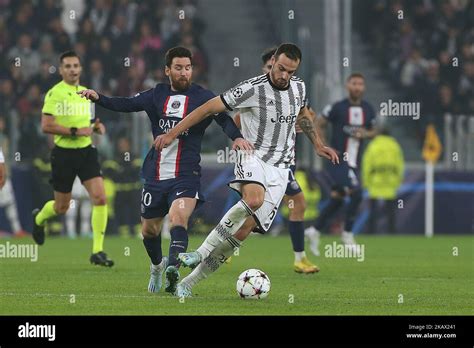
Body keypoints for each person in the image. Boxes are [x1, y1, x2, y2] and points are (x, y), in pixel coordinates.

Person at [154, 43, 339, 297]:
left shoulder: (299, 87)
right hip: (252, 156)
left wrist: (318, 144)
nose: (284, 75)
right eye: (281, 68)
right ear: (273, 61)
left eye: (291, 72)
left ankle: (188, 284)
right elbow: (208, 108)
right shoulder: (251, 88)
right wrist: (173, 132)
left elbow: (303, 114)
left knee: (241, 233)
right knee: (253, 199)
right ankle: (200, 252)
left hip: (280, 168)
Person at [78, 46, 252, 294]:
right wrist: (99, 98)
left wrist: (235, 138)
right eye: (178, 68)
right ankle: (157, 266)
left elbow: (222, 117)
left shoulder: (203, 96)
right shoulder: (156, 95)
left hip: (186, 173)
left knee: (178, 217)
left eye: (188, 68)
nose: (184, 73)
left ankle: (173, 269)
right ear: (167, 70)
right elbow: (126, 104)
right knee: (149, 230)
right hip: (156, 174)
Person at [233, 47, 319, 274]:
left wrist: (302, 123)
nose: (281, 75)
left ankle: (299, 258)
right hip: (260, 160)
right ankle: (225, 247)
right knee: (256, 211)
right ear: (267, 67)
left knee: (292, 205)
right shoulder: (257, 93)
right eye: (273, 68)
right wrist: (240, 139)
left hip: (284, 161)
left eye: (287, 71)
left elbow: (308, 114)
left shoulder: (294, 90)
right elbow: (236, 119)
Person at [32, 51, 113, 267]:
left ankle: (97, 251)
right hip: (64, 154)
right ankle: (39, 219)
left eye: (76, 65)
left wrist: (96, 126)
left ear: (80, 68)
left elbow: (90, 122)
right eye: (67, 66)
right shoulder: (54, 94)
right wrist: (76, 131)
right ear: (60, 70)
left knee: (100, 198)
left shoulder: (85, 93)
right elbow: (46, 126)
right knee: (62, 207)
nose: (72, 69)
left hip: (86, 152)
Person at [305, 73, 377, 255]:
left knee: (338, 197)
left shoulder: (368, 109)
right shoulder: (338, 107)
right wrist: (322, 145)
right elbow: (319, 122)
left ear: (364, 87)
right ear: (347, 86)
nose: (357, 87)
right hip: (338, 159)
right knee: (357, 192)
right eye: (354, 83)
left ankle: (314, 230)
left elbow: (373, 130)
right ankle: (347, 233)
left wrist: (365, 134)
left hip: (355, 162)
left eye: (360, 84)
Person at [362, 127, 404, 234]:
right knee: (391, 210)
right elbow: (399, 163)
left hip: (376, 179)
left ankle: (371, 231)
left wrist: (365, 181)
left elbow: (367, 163)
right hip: (390, 179)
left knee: (373, 209)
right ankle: (392, 231)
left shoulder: (373, 145)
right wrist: (399, 179)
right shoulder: (395, 145)